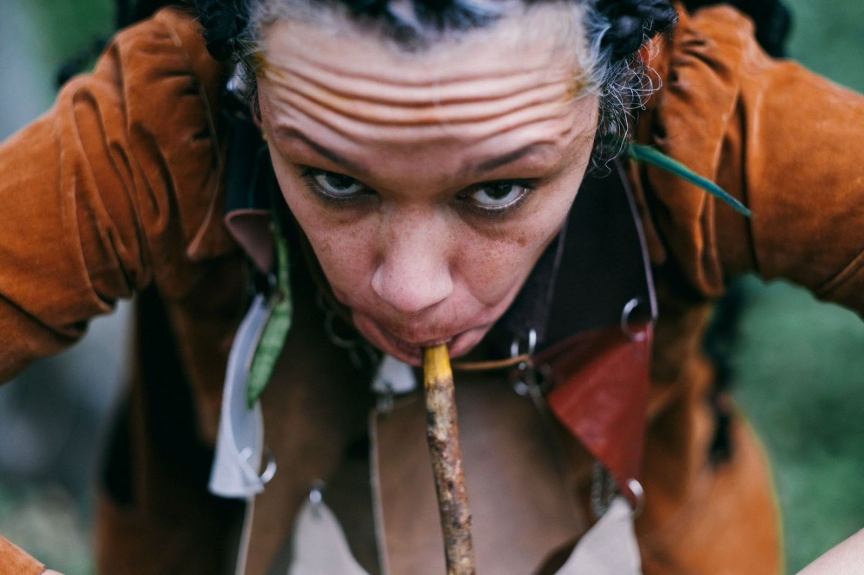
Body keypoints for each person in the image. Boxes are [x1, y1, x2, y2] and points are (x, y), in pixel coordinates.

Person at [0, 0, 863, 573]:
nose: (411, 292)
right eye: (335, 179)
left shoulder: (700, 119)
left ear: (621, 81)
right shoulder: (165, 126)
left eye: (499, 187)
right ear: (246, 85)